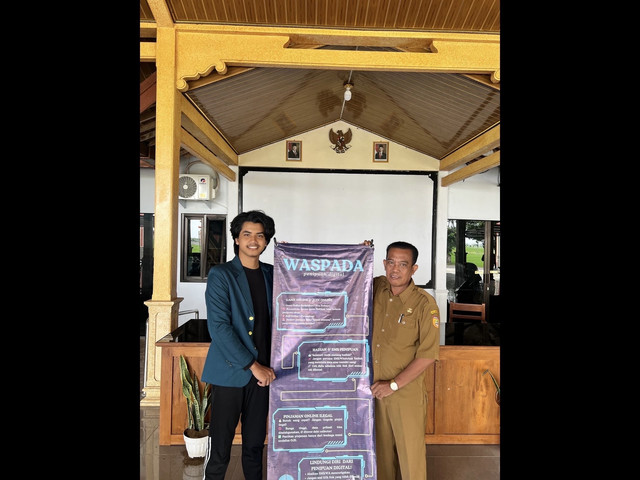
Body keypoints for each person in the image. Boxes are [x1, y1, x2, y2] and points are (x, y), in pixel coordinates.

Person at [202, 210, 277, 480]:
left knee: (255, 446)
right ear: (236, 239)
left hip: (264, 376)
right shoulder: (221, 274)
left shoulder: (273, 274)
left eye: (260, 235)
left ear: (266, 241)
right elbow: (219, 328)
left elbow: (312, 282)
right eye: (247, 234)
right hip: (231, 372)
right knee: (220, 447)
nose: (253, 240)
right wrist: (253, 366)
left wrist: (355, 255)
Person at [366, 240, 440, 480]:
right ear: (384, 263)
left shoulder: (424, 304)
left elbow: (428, 355)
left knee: (411, 460)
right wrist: (361, 252)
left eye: (403, 264)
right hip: (375, 391)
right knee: (381, 457)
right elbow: (350, 274)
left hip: (404, 394)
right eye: (390, 262)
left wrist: (393, 385)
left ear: (414, 269)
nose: (395, 269)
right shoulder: (376, 287)